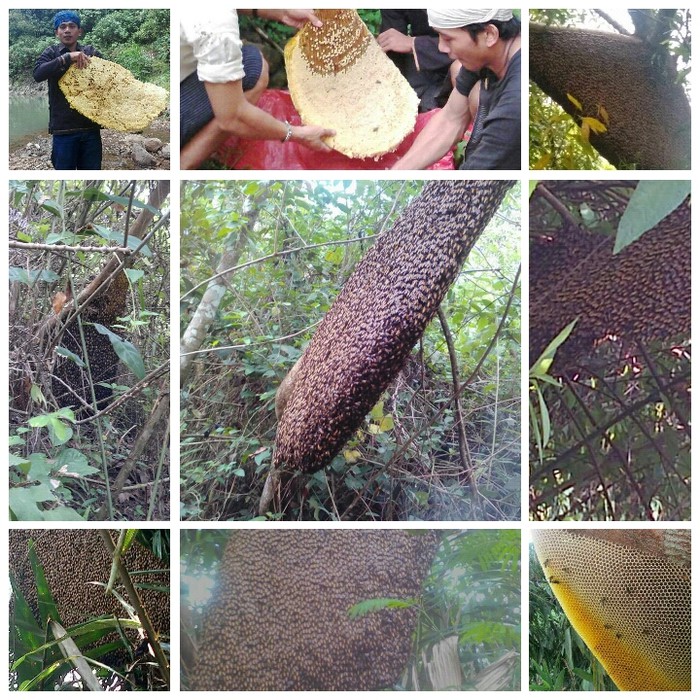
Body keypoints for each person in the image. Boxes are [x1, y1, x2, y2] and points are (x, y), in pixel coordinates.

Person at [180, 9, 335, 170]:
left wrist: (282, 13)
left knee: (250, 61)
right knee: (253, 66)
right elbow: (233, 118)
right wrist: (298, 134)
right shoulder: (215, 19)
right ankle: (181, 166)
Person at [392, 9, 521, 170]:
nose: (441, 47)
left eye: (448, 38)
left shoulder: (516, 101)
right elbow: (450, 119)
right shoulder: (485, 55)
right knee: (463, 77)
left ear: (489, 34)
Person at [33, 10, 103, 170]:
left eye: (72, 26)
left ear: (79, 31)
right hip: (63, 130)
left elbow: (111, 77)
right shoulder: (51, 53)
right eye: (62, 27)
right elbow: (38, 74)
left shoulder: (91, 53)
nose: (67, 30)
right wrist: (66, 58)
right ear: (57, 32)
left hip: (90, 129)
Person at [376, 10, 453, 112]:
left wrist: (415, 44)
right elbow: (391, 45)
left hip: (465, 62)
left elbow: (474, 45)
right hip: (422, 64)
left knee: (458, 70)